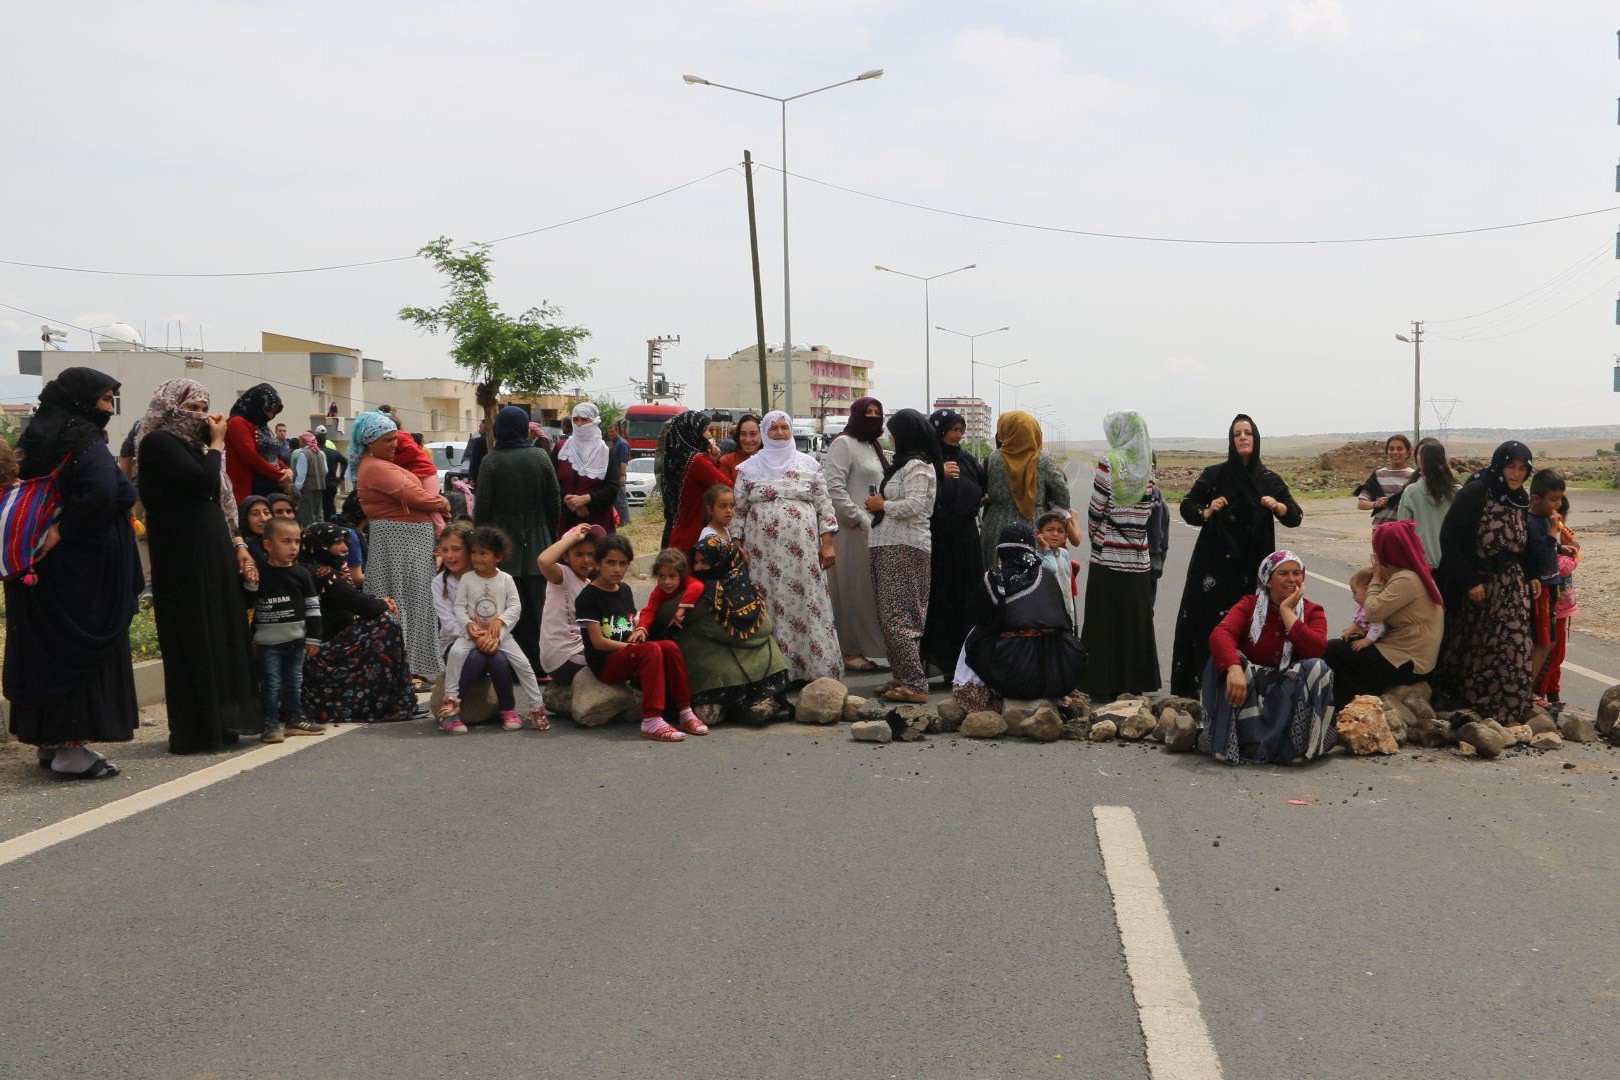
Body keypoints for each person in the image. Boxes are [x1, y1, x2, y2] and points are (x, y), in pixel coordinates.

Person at [4, 367, 142, 778]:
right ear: (81, 399)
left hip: (37, 567)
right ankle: (71, 753)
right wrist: (64, 530)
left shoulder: (34, 433)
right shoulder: (81, 437)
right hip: (79, 573)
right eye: (103, 400)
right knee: (80, 652)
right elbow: (103, 491)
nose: (108, 409)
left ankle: (49, 744)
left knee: (45, 648)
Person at [137, 378, 260, 752]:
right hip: (182, 551)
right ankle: (195, 729)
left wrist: (237, 542)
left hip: (211, 545)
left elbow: (220, 500)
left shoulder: (193, 446)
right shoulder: (159, 443)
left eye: (203, 409)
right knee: (194, 631)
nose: (199, 416)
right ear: (169, 406)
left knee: (220, 627)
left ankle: (222, 722)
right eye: (191, 408)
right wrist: (218, 444)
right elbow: (201, 484)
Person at [1169, 414, 1303, 697]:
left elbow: (1294, 516)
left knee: (1253, 623)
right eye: (1237, 434)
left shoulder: (1269, 479)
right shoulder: (1215, 475)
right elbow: (1187, 506)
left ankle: (1251, 688)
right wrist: (1206, 511)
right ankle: (1203, 690)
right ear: (1231, 441)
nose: (1242, 438)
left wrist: (1277, 505)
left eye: (1247, 433)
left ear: (1256, 439)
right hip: (1215, 563)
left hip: (1255, 563)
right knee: (1211, 622)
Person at [1433, 441, 1539, 727]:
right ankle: (1477, 702)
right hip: (1479, 583)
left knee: (1514, 643)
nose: (1516, 473)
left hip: (1511, 584)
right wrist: (1470, 580)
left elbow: (1521, 544)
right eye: (1510, 466)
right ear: (1498, 465)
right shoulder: (1478, 491)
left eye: (1522, 468)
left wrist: (1533, 575)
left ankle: (1509, 708)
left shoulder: (1520, 497)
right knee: (1478, 645)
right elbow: (1450, 539)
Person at [734, 411, 842, 684]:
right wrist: (737, 545)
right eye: (774, 429)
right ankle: (772, 671)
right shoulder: (749, 468)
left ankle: (810, 670)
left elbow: (824, 506)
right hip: (762, 554)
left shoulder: (809, 464)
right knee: (769, 603)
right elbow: (738, 512)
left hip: (803, 553)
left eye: (785, 427)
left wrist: (827, 543)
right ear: (764, 433)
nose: (780, 433)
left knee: (805, 602)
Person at [1199, 550, 1336, 765]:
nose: (1292, 579)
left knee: (1318, 669)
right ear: (1268, 580)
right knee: (1223, 660)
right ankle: (1227, 743)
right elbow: (1221, 634)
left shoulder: (1312, 611)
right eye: (1283, 573)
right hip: (1250, 686)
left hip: (1287, 688)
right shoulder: (1249, 605)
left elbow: (1316, 648)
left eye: (1297, 573)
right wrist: (1234, 668)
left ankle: (1296, 749)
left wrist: (1287, 611)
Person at [576, 534, 706, 741]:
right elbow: (598, 643)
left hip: (627, 653)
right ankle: (652, 719)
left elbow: (632, 623)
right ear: (598, 562)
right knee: (652, 649)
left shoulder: (625, 590)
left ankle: (685, 711)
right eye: (610, 562)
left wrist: (639, 633)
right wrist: (631, 647)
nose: (617, 569)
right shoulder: (588, 596)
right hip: (605, 663)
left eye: (623, 563)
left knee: (669, 646)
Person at [352, 409, 451, 681]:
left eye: (395, 438)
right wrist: (441, 502)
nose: (394, 444)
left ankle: (412, 666)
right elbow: (415, 496)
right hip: (400, 541)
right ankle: (404, 666)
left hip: (408, 540)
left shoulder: (380, 464)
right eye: (387, 440)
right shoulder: (375, 467)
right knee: (406, 601)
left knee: (416, 600)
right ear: (370, 442)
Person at [952, 523, 1087, 711]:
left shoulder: (995, 576)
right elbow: (1066, 623)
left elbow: (980, 617)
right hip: (1059, 673)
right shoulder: (1047, 575)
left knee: (975, 634)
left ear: (1002, 551)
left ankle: (973, 694)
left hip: (1017, 675)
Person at [1079, 411, 1163, 703]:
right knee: (1134, 620)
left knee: (1104, 620)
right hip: (1138, 556)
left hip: (1108, 554)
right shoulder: (1147, 467)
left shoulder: (1108, 462)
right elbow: (1151, 510)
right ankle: (1135, 683)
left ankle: (1102, 683)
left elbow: (1095, 509)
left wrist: (1096, 538)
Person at [299, 522, 418, 724]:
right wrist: (384, 604)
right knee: (386, 622)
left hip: (317, 649)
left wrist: (380, 604)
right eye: (337, 542)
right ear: (319, 544)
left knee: (382, 618)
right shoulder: (323, 574)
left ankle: (390, 701)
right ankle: (386, 703)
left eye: (344, 542)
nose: (344, 548)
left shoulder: (311, 569)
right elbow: (363, 605)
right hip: (318, 653)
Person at [474, 405, 562, 674]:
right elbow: (553, 501)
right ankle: (543, 665)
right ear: (525, 428)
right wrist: (550, 533)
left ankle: (512, 665)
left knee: (508, 608)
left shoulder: (491, 460)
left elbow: (482, 508)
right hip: (539, 540)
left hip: (503, 545)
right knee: (540, 607)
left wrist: (482, 544)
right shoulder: (540, 457)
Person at [1323, 521, 1443, 706]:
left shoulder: (1407, 579)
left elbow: (1372, 612)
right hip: (1407, 656)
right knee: (1349, 644)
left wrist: (1376, 578)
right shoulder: (1414, 573)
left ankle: (1348, 706)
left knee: (1332, 649)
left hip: (1406, 662)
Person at [439, 526, 546, 734]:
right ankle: (451, 699)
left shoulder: (505, 579)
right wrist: (469, 626)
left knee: (524, 664)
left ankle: (536, 706)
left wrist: (501, 621)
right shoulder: (468, 579)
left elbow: (515, 607)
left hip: (501, 636)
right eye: (474, 553)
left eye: (483, 553)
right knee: (456, 653)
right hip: (473, 635)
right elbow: (459, 607)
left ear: (498, 557)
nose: (477, 558)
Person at [867, 408, 941, 704]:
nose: (889, 437)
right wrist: (878, 505)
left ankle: (915, 684)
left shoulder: (919, 467)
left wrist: (882, 505)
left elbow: (915, 506)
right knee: (888, 615)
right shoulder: (902, 465)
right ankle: (901, 673)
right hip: (886, 545)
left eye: (893, 432)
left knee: (901, 616)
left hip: (906, 547)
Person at [679, 534, 791, 723]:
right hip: (768, 675)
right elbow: (766, 627)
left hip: (721, 682)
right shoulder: (749, 588)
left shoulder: (704, 593)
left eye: (704, 562)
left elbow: (665, 615)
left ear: (720, 562)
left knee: (706, 715)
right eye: (695, 562)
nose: (697, 568)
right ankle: (760, 704)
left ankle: (742, 707)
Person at [820, 398, 890, 671]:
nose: (873, 417)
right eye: (868, 412)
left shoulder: (873, 445)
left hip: (874, 528)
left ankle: (869, 647)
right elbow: (834, 488)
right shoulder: (844, 443)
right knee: (849, 590)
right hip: (851, 531)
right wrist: (858, 519)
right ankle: (849, 650)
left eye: (877, 413)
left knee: (867, 591)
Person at [920, 408, 989, 683]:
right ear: (938, 430)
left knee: (968, 597)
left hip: (967, 538)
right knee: (941, 597)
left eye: (961, 430)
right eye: (953, 430)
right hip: (940, 539)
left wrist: (977, 498)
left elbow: (982, 488)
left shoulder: (967, 459)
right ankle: (941, 660)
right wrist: (940, 474)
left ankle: (965, 664)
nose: (958, 435)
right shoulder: (928, 460)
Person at [244, 517, 326, 743]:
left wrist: (314, 638)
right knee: (271, 683)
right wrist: (250, 584)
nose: (293, 547)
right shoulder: (260, 573)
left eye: (297, 542)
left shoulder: (301, 574)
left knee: (294, 681)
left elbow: (312, 608)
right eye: (286, 541)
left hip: (296, 641)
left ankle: (294, 718)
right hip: (268, 643)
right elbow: (248, 603)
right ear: (268, 545)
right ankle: (270, 724)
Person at [980, 410, 1070, 569]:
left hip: (997, 525)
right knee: (1032, 575)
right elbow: (1063, 494)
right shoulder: (1042, 460)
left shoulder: (993, 458)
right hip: (1033, 524)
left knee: (999, 574)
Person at [538, 523, 602, 683]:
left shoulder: (589, 585)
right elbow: (544, 561)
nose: (586, 560)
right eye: (578, 554)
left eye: (591, 554)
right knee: (612, 660)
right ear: (566, 556)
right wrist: (573, 537)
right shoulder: (562, 576)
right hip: (563, 657)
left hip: (579, 650)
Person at [659, 410, 730, 550]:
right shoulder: (698, 461)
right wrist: (718, 463)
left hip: (679, 532)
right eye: (704, 430)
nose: (709, 435)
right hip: (696, 537)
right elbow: (727, 488)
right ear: (691, 433)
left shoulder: (679, 458)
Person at [1526, 470, 1567, 699]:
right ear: (1535, 498)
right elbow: (1538, 554)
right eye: (1553, 499)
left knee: (1549, 641)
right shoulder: (1531, 522)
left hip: (1551, 586)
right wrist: (1553, 533)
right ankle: (1526, 689)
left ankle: (1529, 687)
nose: (1558, 504)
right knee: (1543, 641)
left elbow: (1548, 548)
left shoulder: (1543, 520)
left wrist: (1561, 548)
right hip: (1540, 588)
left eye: (1560, 499)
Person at [556, 402, 622, 535]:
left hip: (596, 520)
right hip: (566, 520)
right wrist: (569, 500)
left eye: (585, 420)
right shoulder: (561, 448)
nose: (579, 424)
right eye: (576, 419)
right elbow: (551, 482)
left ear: (594, 421)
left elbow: (612, 489)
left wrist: (586, 499)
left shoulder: (607, 452)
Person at [224, 383, 294, 504]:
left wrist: (287, 470)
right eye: (268, 410)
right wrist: (279, 475)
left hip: (269, 485)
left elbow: (273, 456)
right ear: (256, 405)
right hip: (249, 488)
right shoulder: (237, 423)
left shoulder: (262, 425)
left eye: (274, 412)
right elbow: (250, 456)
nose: (270, 415)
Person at [1393, 439, 1456, 569]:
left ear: (1421, 460)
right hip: (1452, 565)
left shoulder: (1411, 492)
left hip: (1421, 565)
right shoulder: (1458, 492)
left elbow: (1403, 530)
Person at [639, 549, 704, 640]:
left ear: (681, 575)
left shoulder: (686, 581)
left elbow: (697, 586)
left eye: (672, 576)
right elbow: (650, 610)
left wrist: (681, 610)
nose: (667, 582)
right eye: (662, 576)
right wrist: (641, 628)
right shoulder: (659, 591)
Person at [1353, 434, 1415, 526]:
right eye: (1391, 449)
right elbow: (1361, 504)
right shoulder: (1378, 475)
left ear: (1407, 452)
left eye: (1399, 449)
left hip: (1403, 533)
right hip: (1380, 531)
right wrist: (1375, 504)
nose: (1395, 452)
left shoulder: (1413, 477)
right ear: (1387, 452)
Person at [1343, 568, 1387, 645]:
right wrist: (1353, 628)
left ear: (1369, 591)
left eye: (1355, 592)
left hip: (1377, 641)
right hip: (1366, 635)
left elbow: (1378, 628)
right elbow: (1359, 621)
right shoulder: (1361, 606)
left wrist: (1365, 641)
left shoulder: (1375, 609)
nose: (1353, 597)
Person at [291, 430, 327, 525]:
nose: (299, 442)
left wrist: (296, 489)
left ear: (304, 441)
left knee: (308, 515)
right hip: (320, 486)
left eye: (300, 440)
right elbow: (325, 471)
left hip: (307, 489)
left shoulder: (304, 454)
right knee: (319, 513)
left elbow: (301, 474)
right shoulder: (321, 453)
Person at [719, 413, 763, 482]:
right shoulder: (727, 461)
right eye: (743, 434)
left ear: (762, 435)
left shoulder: (772, 460)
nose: (748, 439)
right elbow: (724, 490)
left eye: (753, 434)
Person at [610, 418, 632, 526]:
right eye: (609, 431)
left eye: (612, 431)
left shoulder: (622, 444)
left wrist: (622, 476)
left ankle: (625, 522)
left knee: (621, 500)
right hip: (613, 474)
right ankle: (620, 521)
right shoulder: (614, 443)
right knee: (615, 500)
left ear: (617, 431)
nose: (610, 433)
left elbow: (624, 461)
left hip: (619, 473)